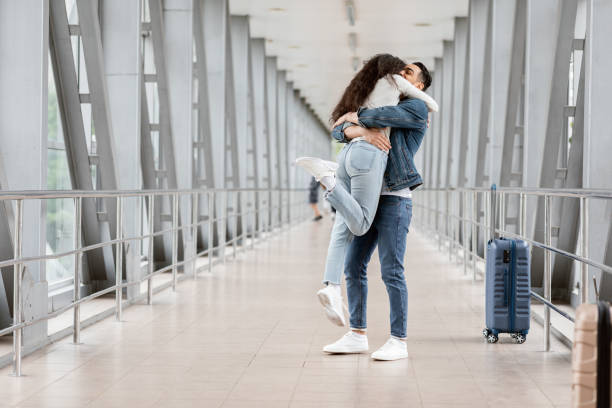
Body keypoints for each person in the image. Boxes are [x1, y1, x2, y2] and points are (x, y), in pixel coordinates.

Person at [296, 55, 437, 330]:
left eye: (408, 72)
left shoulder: (416, 108)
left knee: (391, 272)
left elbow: (379, 116)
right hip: (366, 195)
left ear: (418, 86)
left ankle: (398, 339)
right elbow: (338, 132)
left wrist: (355, 118)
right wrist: (361, 132)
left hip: (395, 198)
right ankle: (357, 333)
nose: (400, 74)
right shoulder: (387, 103)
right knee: (353, 267)